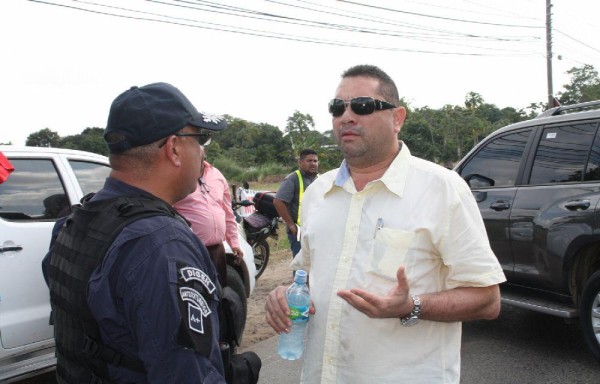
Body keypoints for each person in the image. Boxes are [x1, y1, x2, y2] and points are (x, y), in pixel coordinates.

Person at [265, 65, 506, 383]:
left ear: (397, 118)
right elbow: (310, 279)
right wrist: (283, 295)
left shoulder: (442, 188)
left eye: (362, 106)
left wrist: (411, 305)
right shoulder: (319, 193)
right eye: (338, 108)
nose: (346, 117)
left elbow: (487, 300)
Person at [42, 82, 230, 383]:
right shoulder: (161, 244)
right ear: (174, 148)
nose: (203, 155)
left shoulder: (75, 220)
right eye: (201, 138)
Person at [174, 159, 243, 288]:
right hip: (190, 250)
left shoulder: (216, 174)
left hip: (217, 250)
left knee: (220, 293)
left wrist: (234, 242)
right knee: (197, 293)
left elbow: (227, 212)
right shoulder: (177, 174)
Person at [273, 148, 319, 258]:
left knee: (315, 263)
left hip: (315, 229)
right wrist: (291, 225)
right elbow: (278, 201)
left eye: (315, 161)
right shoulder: (292, 179)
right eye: (309, 161)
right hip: (299, 230)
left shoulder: (319, 178)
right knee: (301, 266)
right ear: (300, 162)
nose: (313, 164)